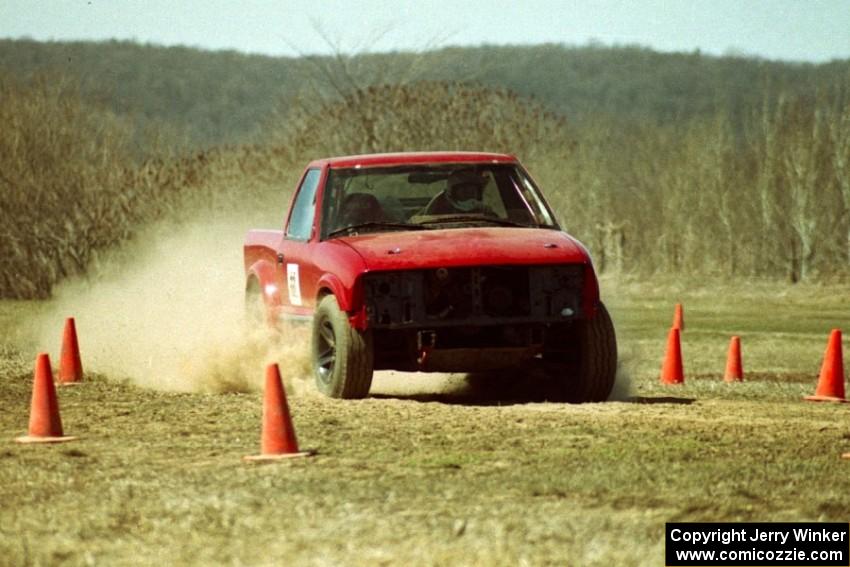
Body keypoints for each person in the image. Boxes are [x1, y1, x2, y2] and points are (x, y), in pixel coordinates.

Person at [423, 170, 492, 215]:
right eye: (464, 192)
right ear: (452, 193)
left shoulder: (485, 212)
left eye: (472, 191)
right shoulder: (438, 209)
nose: (468, 195)